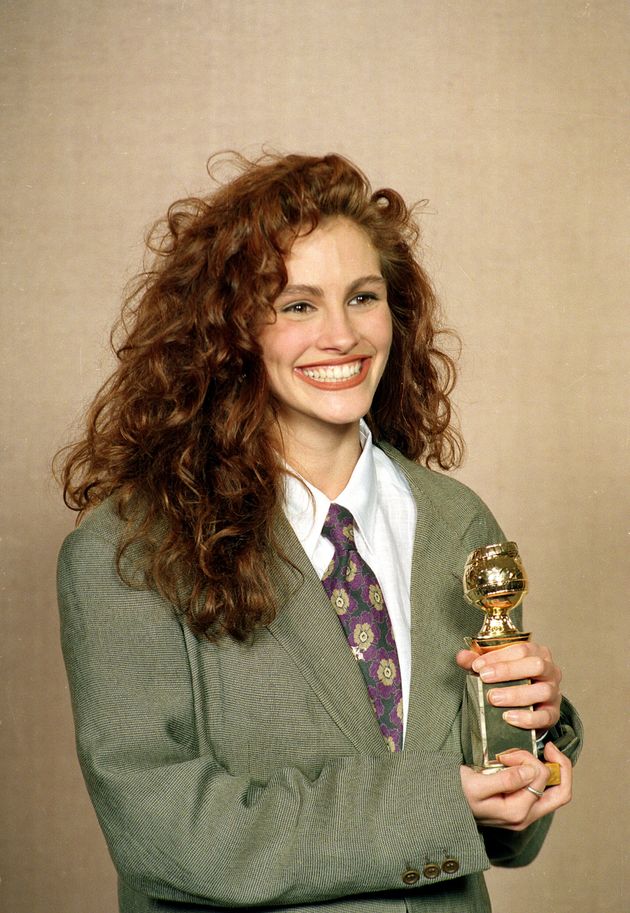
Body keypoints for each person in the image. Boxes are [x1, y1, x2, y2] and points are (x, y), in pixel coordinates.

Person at [57, 152, 582, 913]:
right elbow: (167, 835)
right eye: (297, 305)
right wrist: (436, 801)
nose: (341, 335)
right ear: (228, 330)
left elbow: (505, 838)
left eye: (362, 297)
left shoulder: (458, 521)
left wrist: (532, 737)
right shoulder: (126, 551)